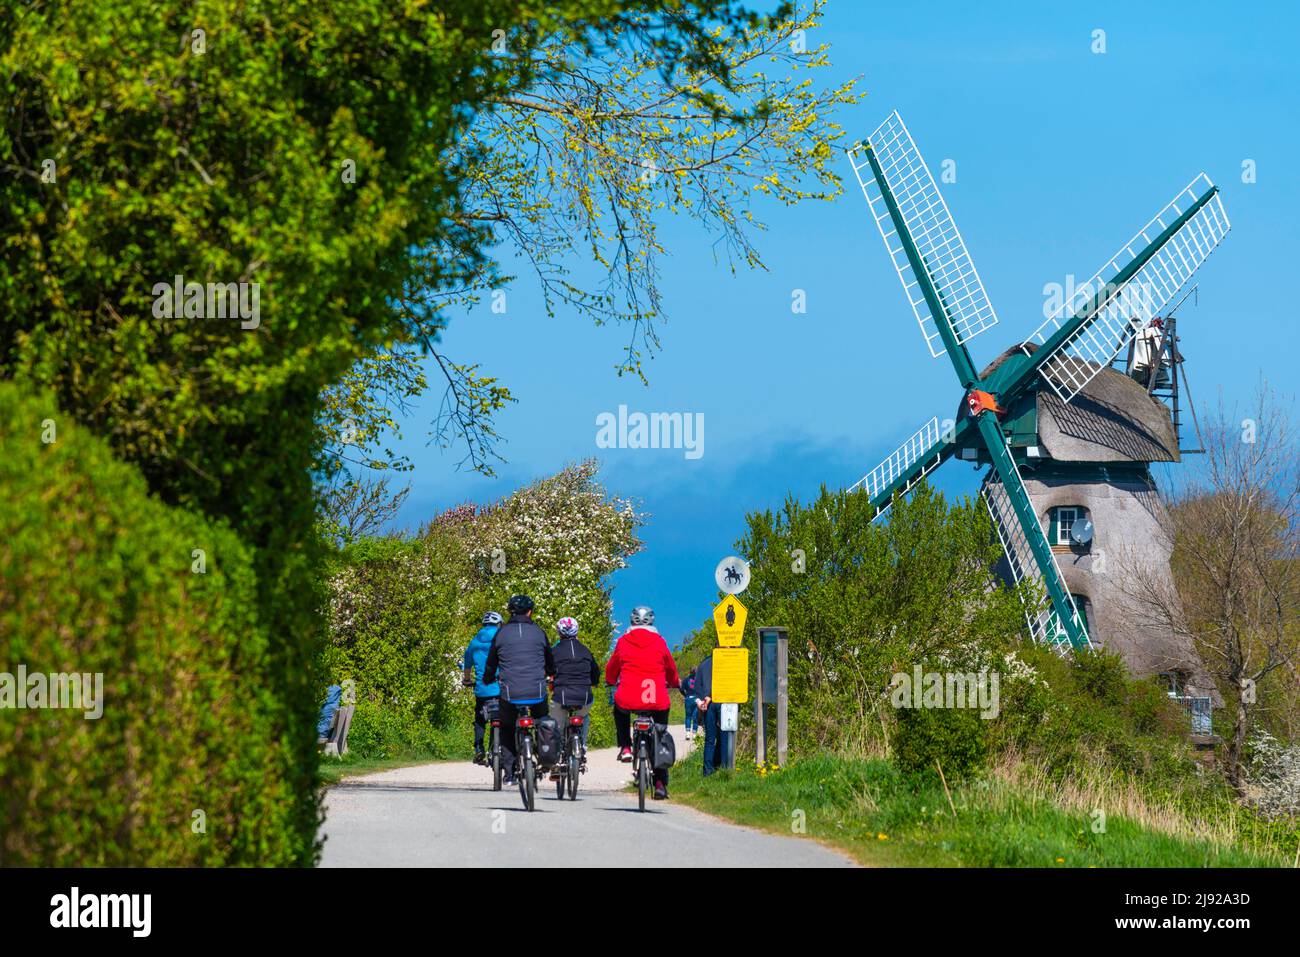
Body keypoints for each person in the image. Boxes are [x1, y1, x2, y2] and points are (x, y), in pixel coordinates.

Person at [605, 605, 679, 800]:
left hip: (628, 696)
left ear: (632, 621)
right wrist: (673, 683)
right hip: (656, 699)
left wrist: (611, 680)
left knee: (620, 712)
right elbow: (670, 667)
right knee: (660, 733)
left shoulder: (623, 641)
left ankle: (626, 747)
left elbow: (613, 666)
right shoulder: (660, 642)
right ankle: (660, 784)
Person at [483, 594, 554, 785]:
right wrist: (551, 673)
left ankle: (510, 773)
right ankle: (544, 754)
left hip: (510, 693)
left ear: (510, 612)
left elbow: (491, 663)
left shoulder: (501, 634)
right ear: (530, 612)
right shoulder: (539, 632)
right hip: (537, 692)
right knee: (542, 719)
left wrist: (488, 679)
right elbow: (550, 660)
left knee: (506, 727)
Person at [548, 616, 599, 760]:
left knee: (556, 725)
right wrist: (593, 682)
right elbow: (595, 673)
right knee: (584, 716)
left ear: (559, 632)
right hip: (584, 698)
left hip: (561, 697)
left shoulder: (554, 651)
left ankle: (557, 754)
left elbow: (547, 670)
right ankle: (582, 745)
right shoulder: (585, 651)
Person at [463, 611, 503, 765]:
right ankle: (502, 747)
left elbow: (467, 664)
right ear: (498, 624)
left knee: (480, 719)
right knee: (502, 717)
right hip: (500, 688)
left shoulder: (474, 642)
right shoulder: (501, 639)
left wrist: (467, 680)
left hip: (482, 689)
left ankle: (479, 748)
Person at [694, 653, 723, 776]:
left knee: (710, 739)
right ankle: (721, 767)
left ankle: (708, 771)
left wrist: (700, 702)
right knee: (724, 737)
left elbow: (697, 687)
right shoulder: (726, 661)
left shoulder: (703, 664)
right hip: (721, 702)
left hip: (707, 705)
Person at [681, 666, 699, 738]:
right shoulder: (699, 680)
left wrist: (685, 695)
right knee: (695, 717)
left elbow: (681, 689)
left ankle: (687, 733)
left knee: (688, 716)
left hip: (688, 699)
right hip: (697, 699)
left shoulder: (685, 680)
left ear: (690, 671)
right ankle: (694, 734)